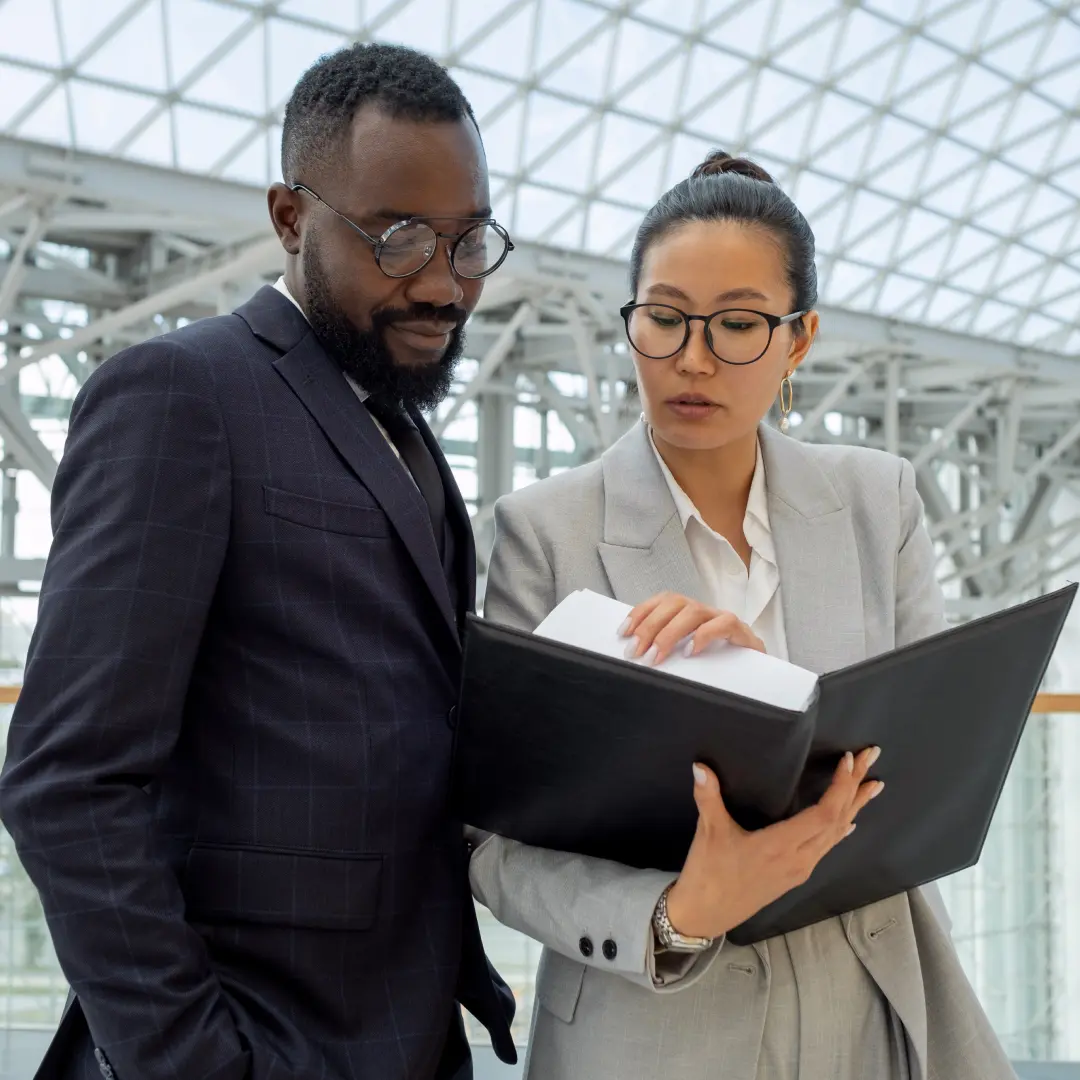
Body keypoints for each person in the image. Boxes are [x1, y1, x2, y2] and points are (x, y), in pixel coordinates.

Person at [0, 43, 517, 1080]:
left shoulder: (401, 434)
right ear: (290, 218)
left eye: (468, 242)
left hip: (408, 1035)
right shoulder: (183, 397)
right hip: (264, 1044)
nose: (444, 284)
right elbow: (68, 779)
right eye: (400, 237)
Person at [469, 152, 1016, 1079]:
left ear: (798, 340)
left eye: (738, 325)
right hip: (649, 1035)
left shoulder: (878, 503)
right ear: (631, 320)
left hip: (866, 1012)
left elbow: (932, 766)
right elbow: (496, 844)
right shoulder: (545, 532)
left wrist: (766, 691)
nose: (693, 357)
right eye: (666, 319)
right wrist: (678, 914)